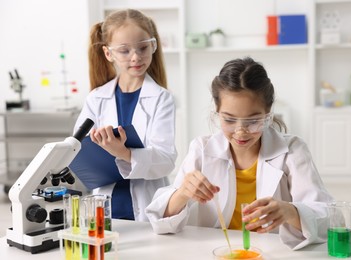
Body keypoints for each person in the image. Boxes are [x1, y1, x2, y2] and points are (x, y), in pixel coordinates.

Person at [146, 57, 333, 249]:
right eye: (229, 120)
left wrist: (291, 212)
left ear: (268, 113)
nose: (241, 131)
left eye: (253, 121)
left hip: (271, 252)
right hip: (214, 251)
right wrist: (182, 193)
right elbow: (159, 221)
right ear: (217, 112)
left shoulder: (292, 150)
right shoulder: (201, 150)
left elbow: (330, 219)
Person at [73, 9, 177, 221]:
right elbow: (77, 150)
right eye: (124, 51)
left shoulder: (162, 98)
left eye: (143, 47)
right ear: (108, 53)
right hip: (106, 204)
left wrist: (125, 154)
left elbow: (166, 160)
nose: (136, 57)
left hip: (147, 206)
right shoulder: (96, 99)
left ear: (153, 46)